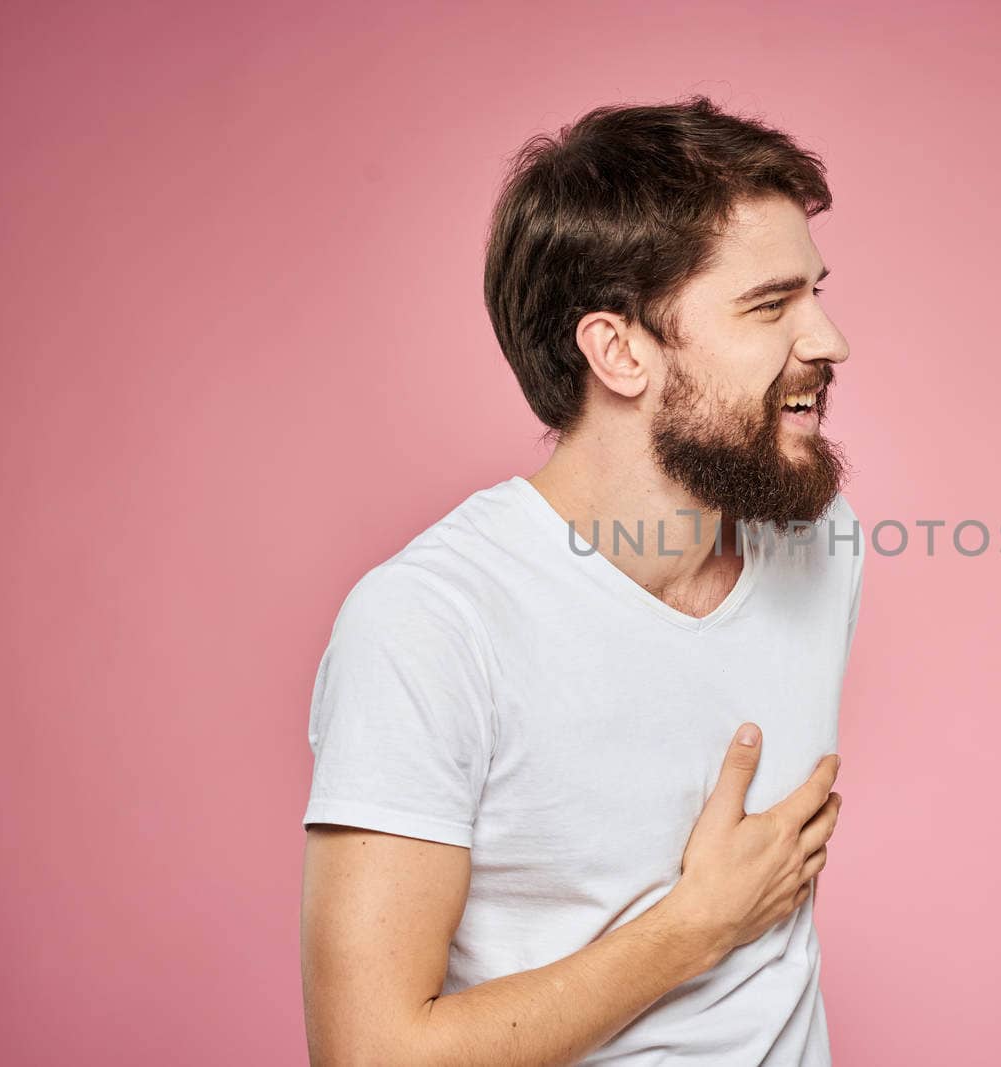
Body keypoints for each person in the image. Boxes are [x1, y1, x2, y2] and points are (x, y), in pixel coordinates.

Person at [299, 96, 866, 1066]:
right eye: (771, 305)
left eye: (814, 292)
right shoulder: (430, 623)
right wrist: (694, 927)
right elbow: (369, 1052)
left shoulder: (820, 544)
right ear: (618, 350)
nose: (829, 340)